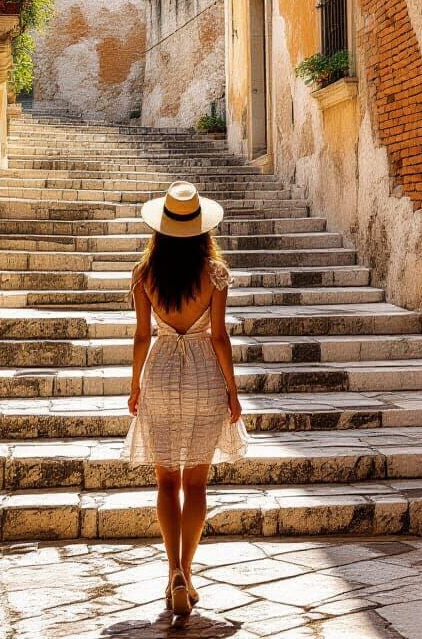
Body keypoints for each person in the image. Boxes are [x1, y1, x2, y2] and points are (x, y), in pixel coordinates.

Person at [120, 180, 249, 617]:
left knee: (166, 482)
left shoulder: (143, 275)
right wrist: (233, 390)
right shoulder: (214, 274)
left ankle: (172, 568)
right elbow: (219, 336)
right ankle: (188, 575)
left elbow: (141, 336)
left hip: (160, 372)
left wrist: (135, 385)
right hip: (201, 377)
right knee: (195, 483)